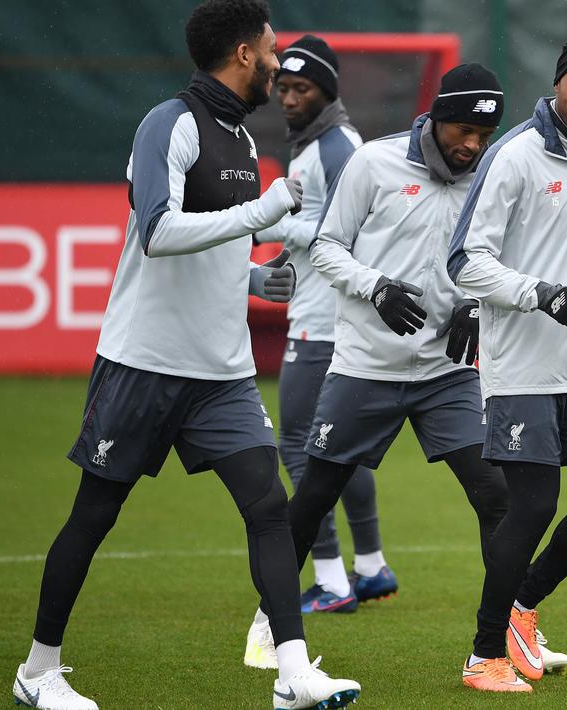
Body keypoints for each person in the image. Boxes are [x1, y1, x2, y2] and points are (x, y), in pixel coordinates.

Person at [9, 2, 360, 709]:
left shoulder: (239, 136)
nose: (278, 62)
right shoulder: (167, 123)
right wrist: (261, 215)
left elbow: (217, 243)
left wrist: (257, 277)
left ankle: (292, 674)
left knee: (268, 505)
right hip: (142, 363)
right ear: (240, 53)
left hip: (221, 373)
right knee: (94, 515)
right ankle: (38, 671)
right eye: (270, 50)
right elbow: (159, 233)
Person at [245, 62, 567, 676]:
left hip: (447, 373)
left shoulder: (493, 174)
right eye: (462, 131)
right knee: (316, 494)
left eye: (484, 134)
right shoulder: (373, 162)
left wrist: (474, 308)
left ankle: (507, 636)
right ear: (437, 116)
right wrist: (376, 288)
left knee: (498, 498)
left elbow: (499, 258)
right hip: (366, 367)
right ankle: (269, 620)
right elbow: (325, 245)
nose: (472, 145)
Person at [447, 32, 567, 694]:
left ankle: (521, 609)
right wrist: (540, 295)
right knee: (529, 510)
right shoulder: (514, 157)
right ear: (557, 84)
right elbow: (465, 260)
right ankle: (483, 657)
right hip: (521, 369)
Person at [252, 33, 396, 619]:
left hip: (324, 318)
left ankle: (331, 579)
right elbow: (316, 225)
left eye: (301, 87)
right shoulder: (324, 142)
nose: (288, 97)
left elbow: (351, 235)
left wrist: (276, 226)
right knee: (342, 451)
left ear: (327, 91)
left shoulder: (334, 147)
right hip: (332, 314)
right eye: (282, 87)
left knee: (299, 444)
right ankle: (369, 567)